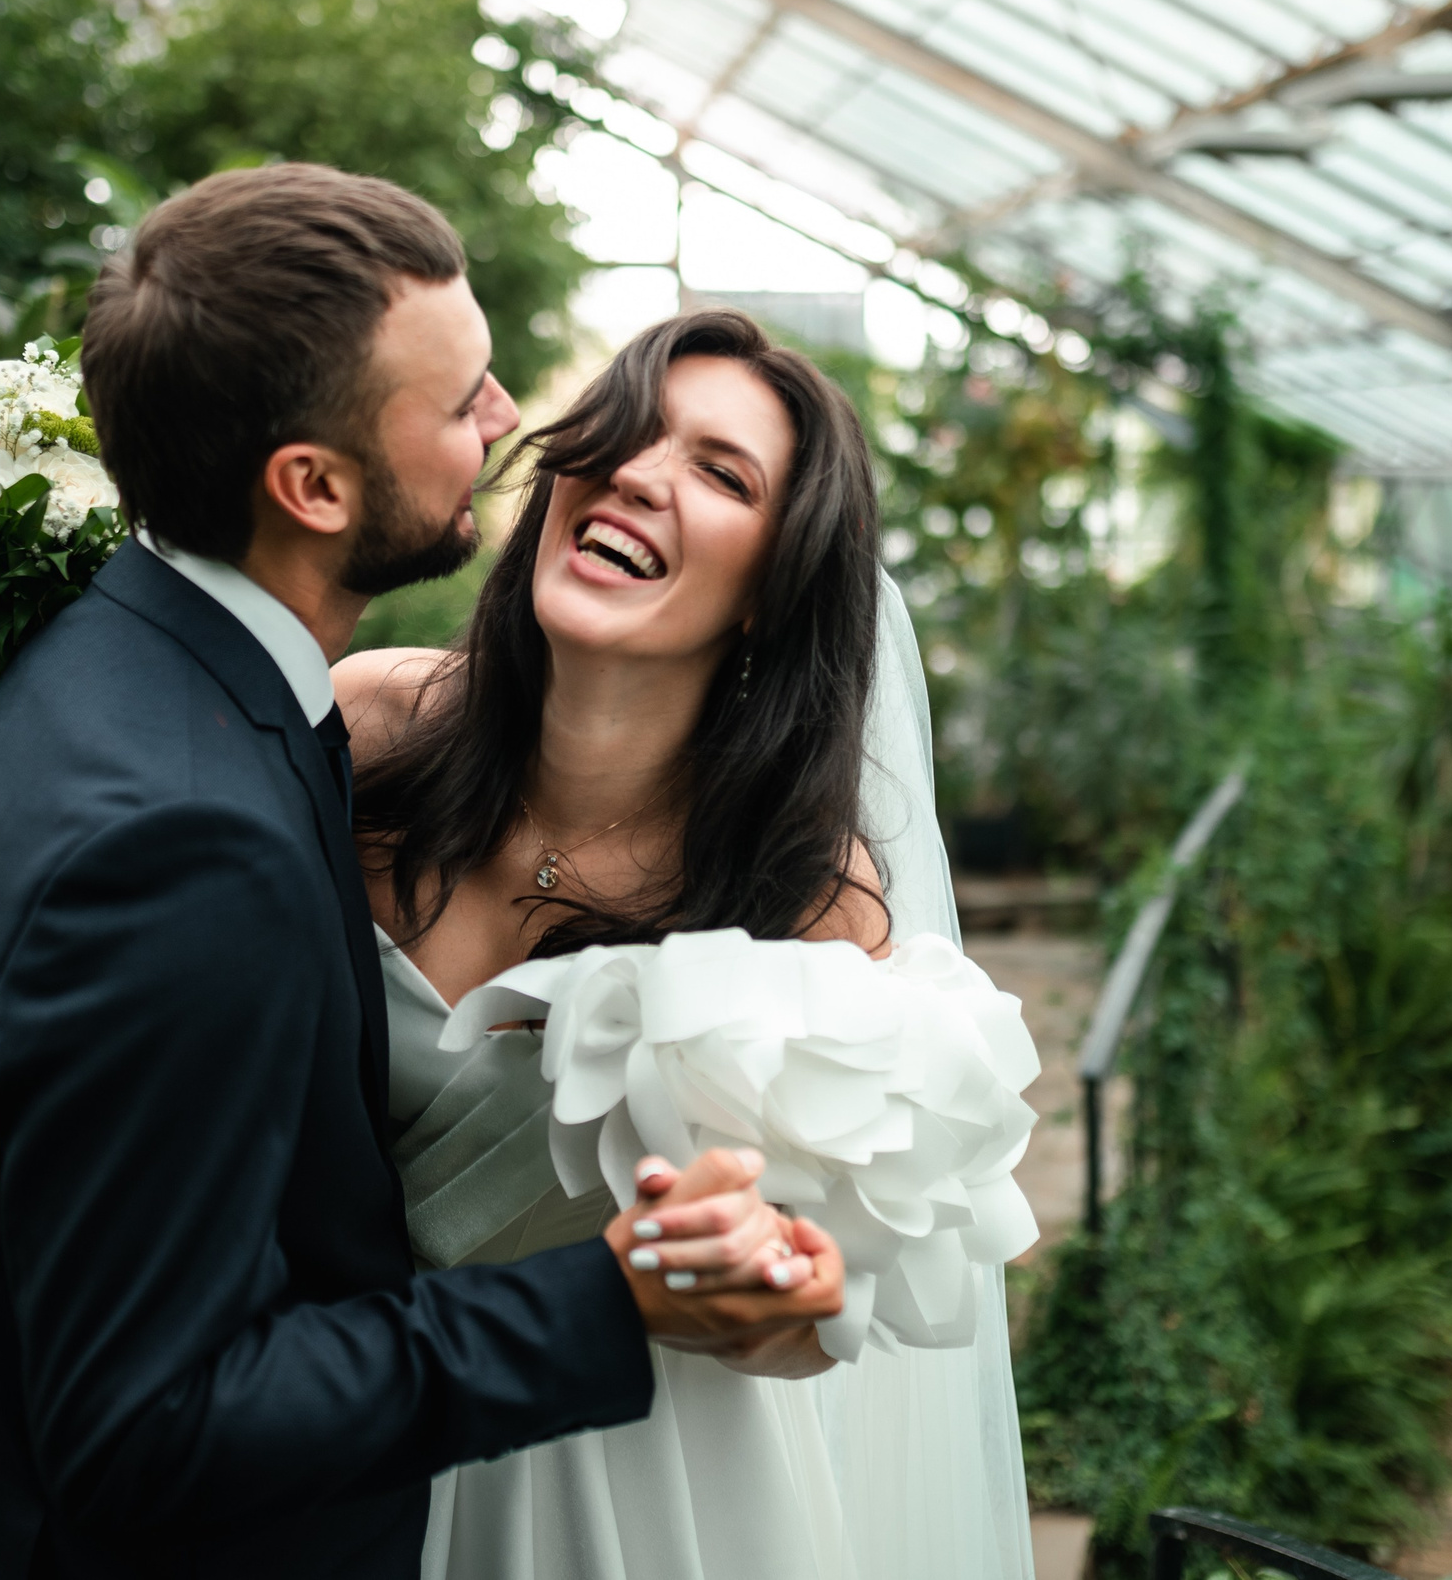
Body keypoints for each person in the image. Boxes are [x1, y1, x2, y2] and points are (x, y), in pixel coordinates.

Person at [0, 164, 845, 1580]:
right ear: (314, 485)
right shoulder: (186, 836)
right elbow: (152, 1422)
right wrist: (611, 1302)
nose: (519, 421)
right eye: (462, 403)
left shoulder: (118, 668)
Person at [336, 307, 1038, 1580]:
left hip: (618, 1489)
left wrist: (771, 1285)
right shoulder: (365, 723)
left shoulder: (807, 895)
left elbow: (802, 1327)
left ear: (776, 586)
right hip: (314, 1418)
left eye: (720, 472)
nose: (639, 475)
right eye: (625, 432)